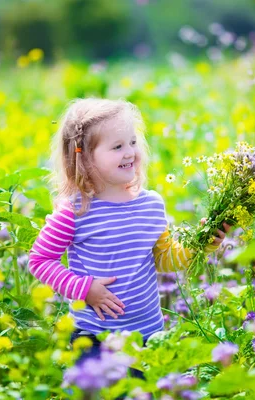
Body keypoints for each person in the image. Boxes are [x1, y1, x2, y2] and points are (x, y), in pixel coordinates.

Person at [28, 98, 230, 380]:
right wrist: (83, 289)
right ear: (85, 158)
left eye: (133, 142)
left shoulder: (151, 205)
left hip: (148, 335)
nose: (130, 152)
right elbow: (40, 260)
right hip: (94, 338)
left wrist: (203, 244)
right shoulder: (75, 211)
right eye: (117, 146)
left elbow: (164, 258)